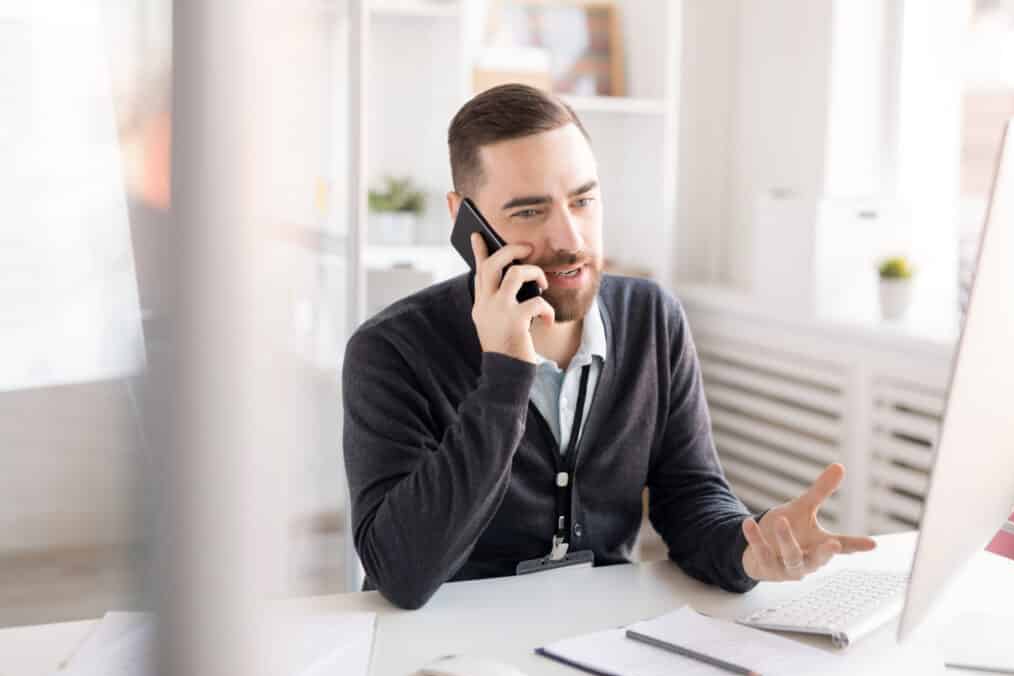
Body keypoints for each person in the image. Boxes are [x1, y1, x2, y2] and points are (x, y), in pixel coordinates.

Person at [342, 84, 875, 610]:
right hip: (440, 654)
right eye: (530, 212)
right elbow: (402, 574)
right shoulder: (391, 351)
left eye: (583, 200)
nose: (570, 237)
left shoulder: (651, 319)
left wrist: (749, 550)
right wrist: (504, 373)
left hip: (596, 640)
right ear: (464, 218)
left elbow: (690, 497)